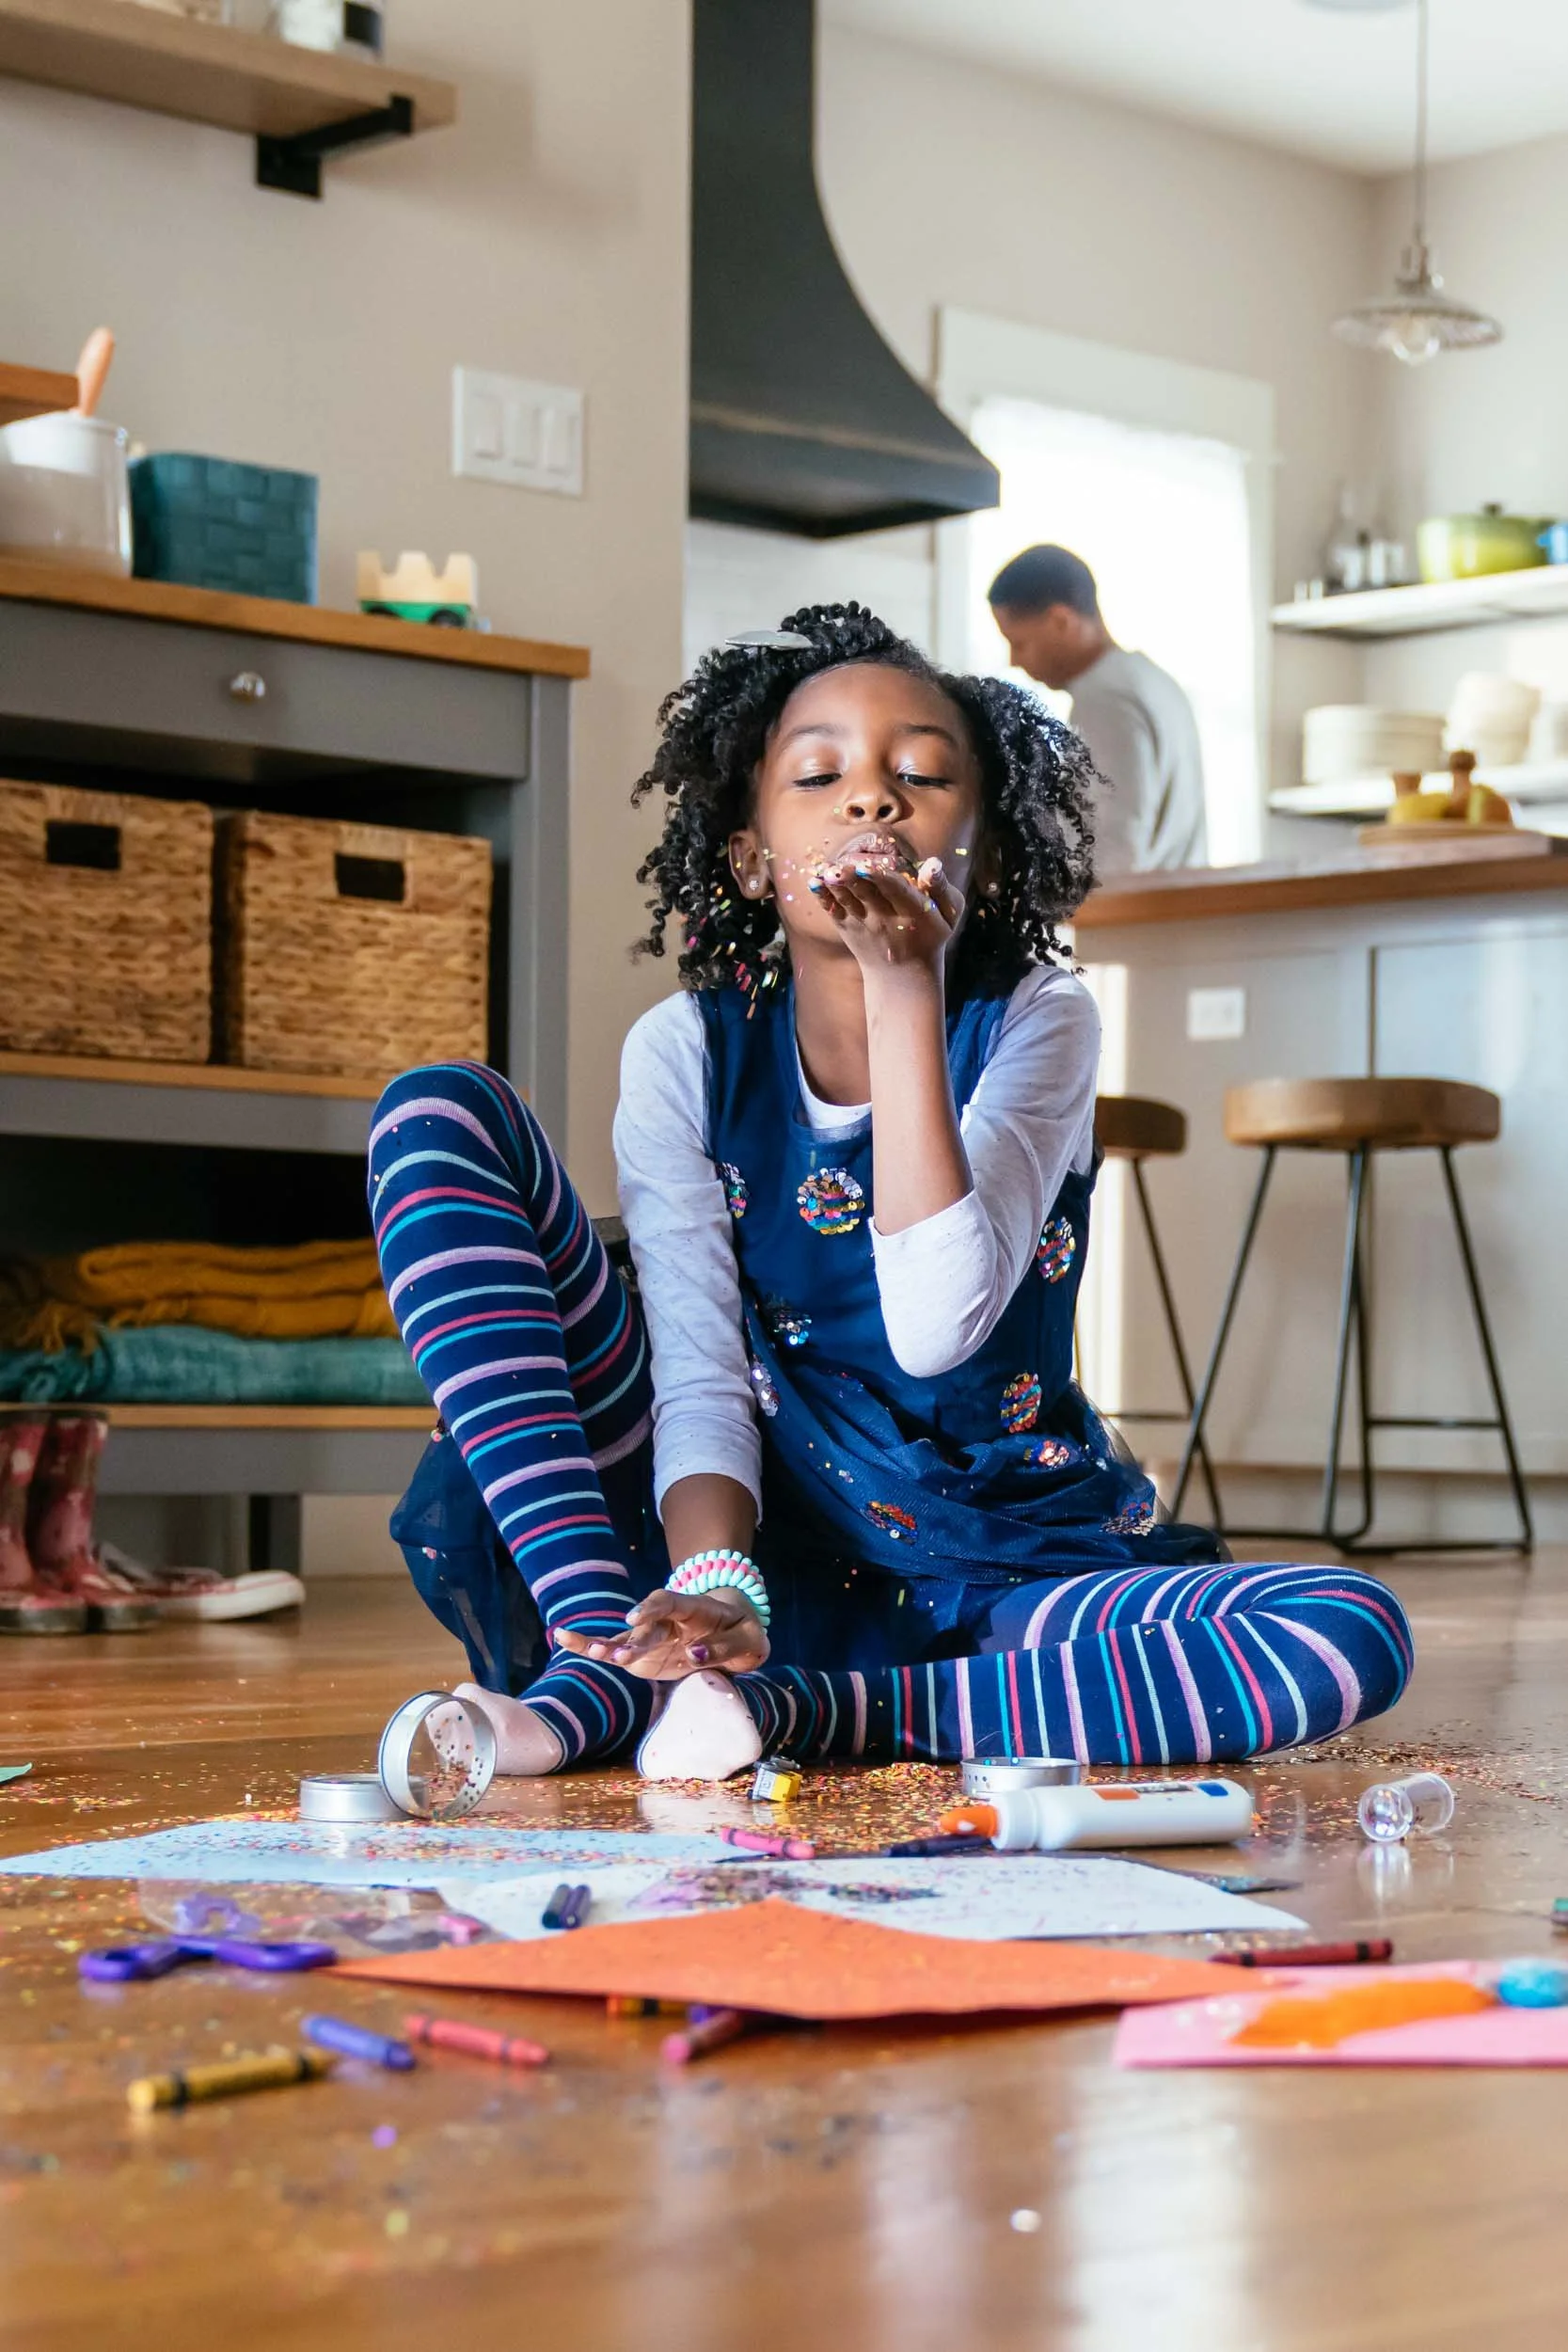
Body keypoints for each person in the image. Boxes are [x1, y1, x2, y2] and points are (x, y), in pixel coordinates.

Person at [369, 603, 1410, 1781]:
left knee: (1343, 1629)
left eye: (917, 773)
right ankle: (606, 1665)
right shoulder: (685, 1051)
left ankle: (808, 1710)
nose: (870, 798)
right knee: (437, 1112)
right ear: (751, 858)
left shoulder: (1038, 1019)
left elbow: (933, 1331)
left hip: (984, 1560)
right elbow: (703, 1372)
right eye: (819, 775)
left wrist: (903, 988)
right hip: (718, 1533)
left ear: (991, 853)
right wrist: (711, 1583)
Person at [988, 544, 1208, 875]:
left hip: (1136, 923)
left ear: (1060, 620)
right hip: (1181, 915)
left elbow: (1111, 853)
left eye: (1019, 643)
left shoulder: (1105, 700)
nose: (1014, 661)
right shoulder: (1154, 682)